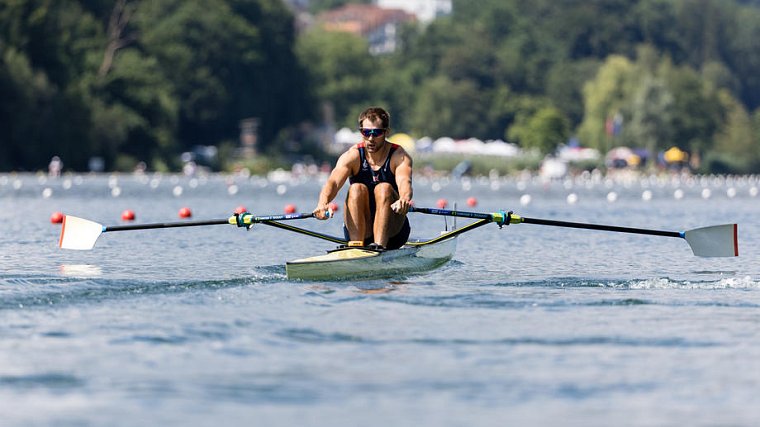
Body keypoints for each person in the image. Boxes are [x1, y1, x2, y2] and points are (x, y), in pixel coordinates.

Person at [313, 107, 413, 251]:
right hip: (360, 229)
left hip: (393, 233)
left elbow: (405, 181)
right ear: (361, 132)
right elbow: (333, 182)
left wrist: (404, 199)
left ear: (386, 132)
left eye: (376, 133)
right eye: (366, 132)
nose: (371, 138)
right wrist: (323, 203)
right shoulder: (353, 155)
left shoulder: (399, 156)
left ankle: (379, 246)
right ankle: (356, 247)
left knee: (383, 188)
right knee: (356, 188)